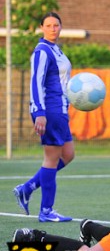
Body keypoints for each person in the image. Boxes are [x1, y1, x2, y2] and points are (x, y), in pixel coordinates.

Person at [14, 12, 75, 222]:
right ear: (42, 28)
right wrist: (39, 113)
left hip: (61, 109)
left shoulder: (57, 50)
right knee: (51, 159)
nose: (53, 29)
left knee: (68, 154)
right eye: (48, 25)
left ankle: (27, 187)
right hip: (49, 110)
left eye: (56, 25)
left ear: (60, 27)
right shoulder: (41, 51)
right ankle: (46, 211)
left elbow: (64, 81)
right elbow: (36, 82)